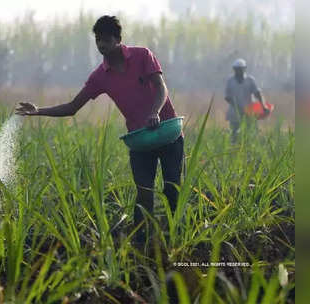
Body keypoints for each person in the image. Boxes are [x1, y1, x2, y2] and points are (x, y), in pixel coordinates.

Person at [15, 15, 184, 246]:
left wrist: (154, 112)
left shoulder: (142, 55)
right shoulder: (100, 76)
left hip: (167, 131)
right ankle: (141, 244)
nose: (101, 45)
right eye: (97, 40)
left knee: (172, 188)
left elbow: (161, 88)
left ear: (117, 39)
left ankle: (174, 239)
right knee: (144, 192)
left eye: (105, 39)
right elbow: (72, 107)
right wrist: (38, 111)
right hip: (141, 139)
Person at [224, 58, 268, 142]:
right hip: (234, 113)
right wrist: (239, 108)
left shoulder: (250, 80)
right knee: (234, 133)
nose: (239, 71)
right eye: (237, 69)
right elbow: (227, 97)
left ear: (244, 69)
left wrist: (263, 106)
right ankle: (234, 150)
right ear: (234, 69)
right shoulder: (230, 81)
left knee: (251, 133)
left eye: (241, 69)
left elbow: (257, 94)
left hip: (249, 112)